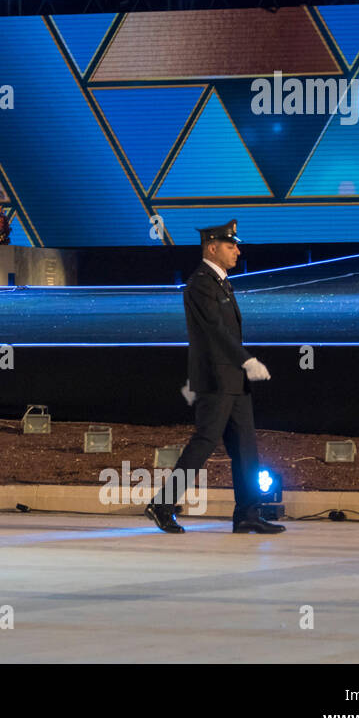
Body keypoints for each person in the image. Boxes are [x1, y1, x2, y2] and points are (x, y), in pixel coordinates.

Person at [145, 220, 284, 535]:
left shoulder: (220, 282)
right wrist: (246, 360)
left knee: (246, 449)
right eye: (230, 245)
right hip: (217, 379)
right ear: (212, 247)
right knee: (204, 442)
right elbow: (214, 331)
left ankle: (248, 513)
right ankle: (162, 505)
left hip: (233, 379)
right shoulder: (202, 283)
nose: (237, 250)